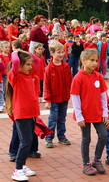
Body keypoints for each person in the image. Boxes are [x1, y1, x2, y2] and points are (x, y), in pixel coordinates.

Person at [71, 49, 109, 176]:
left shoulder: (98, 76)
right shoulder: (78, 78)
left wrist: (105, 113)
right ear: (83, 61)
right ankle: (86, 163)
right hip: (84, 114)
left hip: (97, 113)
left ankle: (97, 160)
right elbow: (75, 98)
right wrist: (79, 116)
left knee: (103, 135)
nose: (95, 63)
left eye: (96, 60)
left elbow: (103, 96)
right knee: (86, 139)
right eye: (92, 60)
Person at [6, 50, 40, 181]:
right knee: (25, 141)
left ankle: (23, 166)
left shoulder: (30, 75)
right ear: (19, 65)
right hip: (22, 114)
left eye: (30, 64)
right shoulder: (15, 76)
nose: (31, 67)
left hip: (32, 113)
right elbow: (14, 61)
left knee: (27, 141)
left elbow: (37, 61)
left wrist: (26, 52)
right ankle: (18, 169)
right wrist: (17, 51)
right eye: (27, 64)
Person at [44, 41, 72, 148]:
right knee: (53, 118)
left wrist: (71, 93)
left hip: (64, 97)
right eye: (58, 52)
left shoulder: (66, 66)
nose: (61, 54)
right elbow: (46, 86)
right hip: (54, 98)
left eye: (62, 52)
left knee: (62, 118)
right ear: (52, 53)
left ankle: (61, 136)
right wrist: (47, 100)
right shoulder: (49, 69)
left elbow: (70, 81)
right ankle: (49, 137)